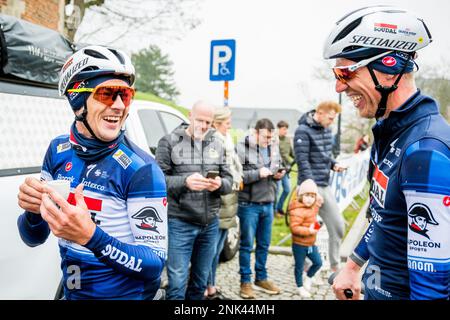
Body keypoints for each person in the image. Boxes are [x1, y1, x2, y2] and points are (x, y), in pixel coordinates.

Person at [16, 45, 168, 300]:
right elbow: (33, 238)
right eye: (108, 93)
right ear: (77, 100)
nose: (119, 106)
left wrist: (91, 237)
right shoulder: (58, 150)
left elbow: (154, 263)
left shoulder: (142, 169)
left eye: (126, 95)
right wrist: (32, 213)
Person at [323, 6, 450, 300]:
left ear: (389, 66)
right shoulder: (392, 131)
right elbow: (385, 218)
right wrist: (353, 266)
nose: (339, 86)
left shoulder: (425, 151)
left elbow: (432, 289)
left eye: (346, 72)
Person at [155, 100, 233, 300]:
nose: (204, 126)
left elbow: (229, 180)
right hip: (179, 221)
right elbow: (158, 181)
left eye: (209, 122)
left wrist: (220, 185)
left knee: (200, 282)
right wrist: (185, 182)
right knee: (177, 283)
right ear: (190, 115)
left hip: (210, 223)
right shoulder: (169, 141)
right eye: (200, 120)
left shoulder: (217, 143)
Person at [293, 101, 346, 273]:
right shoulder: (302, 130)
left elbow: (325, 156)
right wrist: (312, 191)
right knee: (306, 226)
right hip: (308, 187)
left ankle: (334, 264)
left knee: (338, 226)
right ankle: (305, 261)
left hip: (324, 184)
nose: (332, 121)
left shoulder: (327, 129)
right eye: (330, 118)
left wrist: (333, 164)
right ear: (320, 113)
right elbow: (302, 161)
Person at [236, 118, 284, 299]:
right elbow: (236, 175)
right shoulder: (241, 147)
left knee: (264, 245)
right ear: (255, 133)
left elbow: (277, 166)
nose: (268, 141)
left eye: (271, 138)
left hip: (269, 202)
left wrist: (279, 174)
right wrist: (257, 173)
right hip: (249, 204)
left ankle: (261, 278)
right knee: (247, 245)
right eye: (265, 137)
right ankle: (245, 282)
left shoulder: (272, 147)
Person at [205, 107, 243, 300]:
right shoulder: (214, 142)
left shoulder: (225, 139)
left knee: (218, 248)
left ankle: (211, 283)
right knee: (212, 248)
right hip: (221, 198)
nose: (230, 126)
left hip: (230, 197)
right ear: (217, 123)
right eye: (227, 123)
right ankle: (207, 285)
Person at [288, 179, 323, 298]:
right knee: (299, 266)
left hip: (311, 244)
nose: (310, 199)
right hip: (299, 245)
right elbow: (294, 228)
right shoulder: (296, 210)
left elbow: (319, 201)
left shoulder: (313, 206)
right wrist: (309, 231)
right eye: (307, 195)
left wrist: (316, 226)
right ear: (301, 196)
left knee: (318, 262)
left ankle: (308, 278)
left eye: (312, 196)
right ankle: (300, 287)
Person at [274, 120, 295, 218]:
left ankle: (279, 207)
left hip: (287, 169)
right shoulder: (273, 140)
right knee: (277, 190)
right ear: (278, 129)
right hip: (277, 169)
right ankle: (274, 211)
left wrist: (298, 159)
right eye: (283, 129)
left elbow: (291, 153)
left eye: (286, 129)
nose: (285, 131)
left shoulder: (287, 140)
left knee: (287, 189)